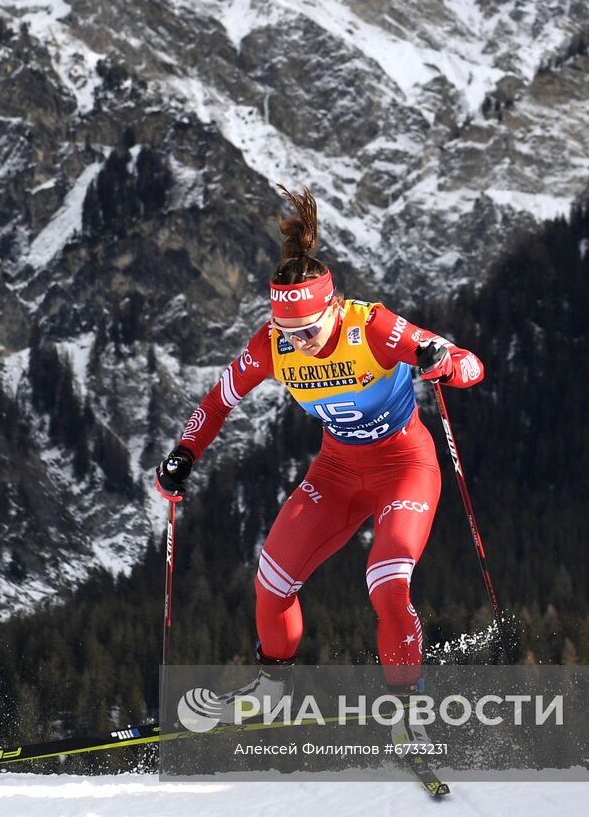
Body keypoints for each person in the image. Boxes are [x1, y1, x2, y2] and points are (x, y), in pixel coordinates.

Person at [154, 185, 484, 739]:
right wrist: (184, 453)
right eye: (288, 333)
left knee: (387, 583)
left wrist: (441, 363)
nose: (300, 343)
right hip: (336, 471)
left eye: (309, 330)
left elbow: (472, 366)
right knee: (271, 583)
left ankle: (410, 713)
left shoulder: (373, 329)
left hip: (405, 466)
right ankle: (271, 691)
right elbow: (217, 401)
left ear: (333, 308)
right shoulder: (273, 346)